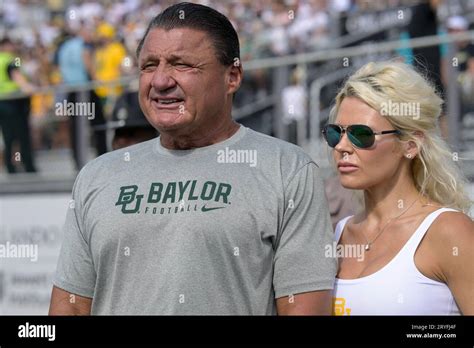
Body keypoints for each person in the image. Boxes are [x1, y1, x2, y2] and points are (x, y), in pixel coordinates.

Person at [49, 2, 336, 315]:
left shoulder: (287, 170)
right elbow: (71, 308)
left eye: (181, 65)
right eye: (148, 66)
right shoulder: (96, 175)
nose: (160, 81)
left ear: (233, 77)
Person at [322, 61, 474, 315]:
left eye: (361, 134)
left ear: (410, 145)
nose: (342, 147)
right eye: (336, 133)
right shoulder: (336, 233)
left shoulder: (449, 231)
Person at [0, 37, 37, 173]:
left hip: (2, 103)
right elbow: (18, 78)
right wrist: (30, 88)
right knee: (22, 136)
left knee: (8, 136)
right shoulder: (10, 60)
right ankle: (28, 166)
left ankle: (10, 167)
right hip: (14, 103)